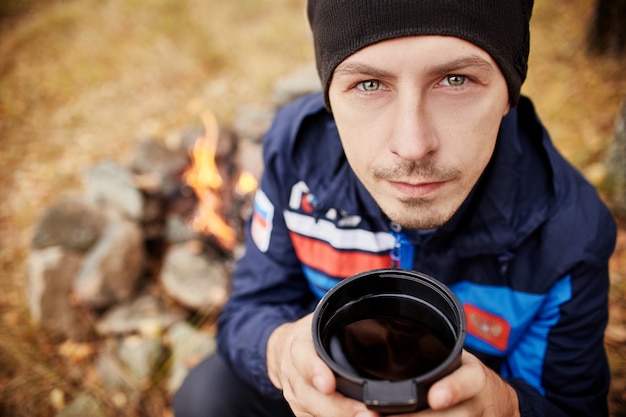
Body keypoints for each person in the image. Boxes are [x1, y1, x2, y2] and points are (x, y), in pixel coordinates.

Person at [173, 0, 617, 416]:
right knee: (209, 396)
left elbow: (571, 405)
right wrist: (281, 352)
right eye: (369, 84)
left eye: (455, 80)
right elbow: (251, 308)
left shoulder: (567, 231)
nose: (412, 145)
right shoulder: (298, 154)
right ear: (331, 99)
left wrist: (507, 406)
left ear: (508, 93)